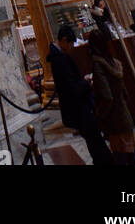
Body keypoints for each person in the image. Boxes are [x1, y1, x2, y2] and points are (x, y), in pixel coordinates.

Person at [47, 24, 112, 166]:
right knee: (94, 137)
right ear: (64, 40)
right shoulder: (59, 59)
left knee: (93, 139)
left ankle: (102, 161)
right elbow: (71, 87)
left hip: (76, 106)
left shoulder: (57, 56)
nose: (71, 47)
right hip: (77, 107)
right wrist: (85, 82)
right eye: (70, 44)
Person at [87, 29, 135, 165]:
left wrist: (100, 115)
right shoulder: (112, 62)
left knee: (120, 153)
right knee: (129, 151)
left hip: (114, 118)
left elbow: (106, 96)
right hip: (123, 113)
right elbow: (123, 91)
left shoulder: (98, 64)